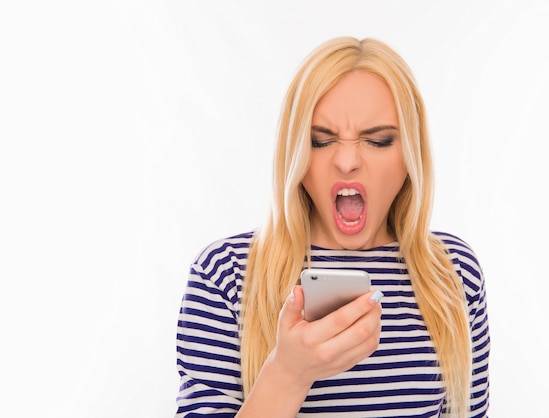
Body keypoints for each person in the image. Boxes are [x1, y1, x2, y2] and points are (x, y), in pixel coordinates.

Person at [175, 37, 490, 417]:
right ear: (296, 156)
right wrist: (288, 374)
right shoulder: (225, 273)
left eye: (377, 140)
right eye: (321, 141)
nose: (346, 160)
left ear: (410, 154)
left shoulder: (452, 273)